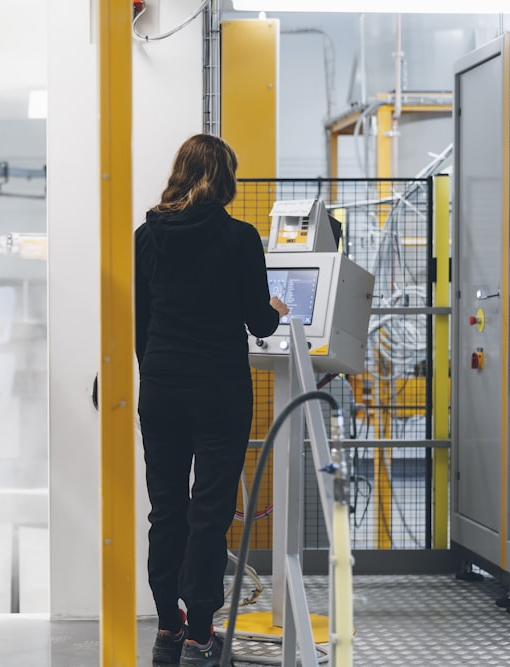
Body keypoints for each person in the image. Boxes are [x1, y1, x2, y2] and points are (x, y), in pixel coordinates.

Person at [134, 134, 288, 666]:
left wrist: (155, 373)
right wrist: (275, 309)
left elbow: (141, 325)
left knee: (166, 509)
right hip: (219, 389)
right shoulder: (239, 238)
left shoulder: (145, 237)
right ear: (225, 179)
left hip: (159, 386)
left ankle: (167, 626)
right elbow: (258, 320)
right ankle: (201, 632)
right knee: (209, 511)